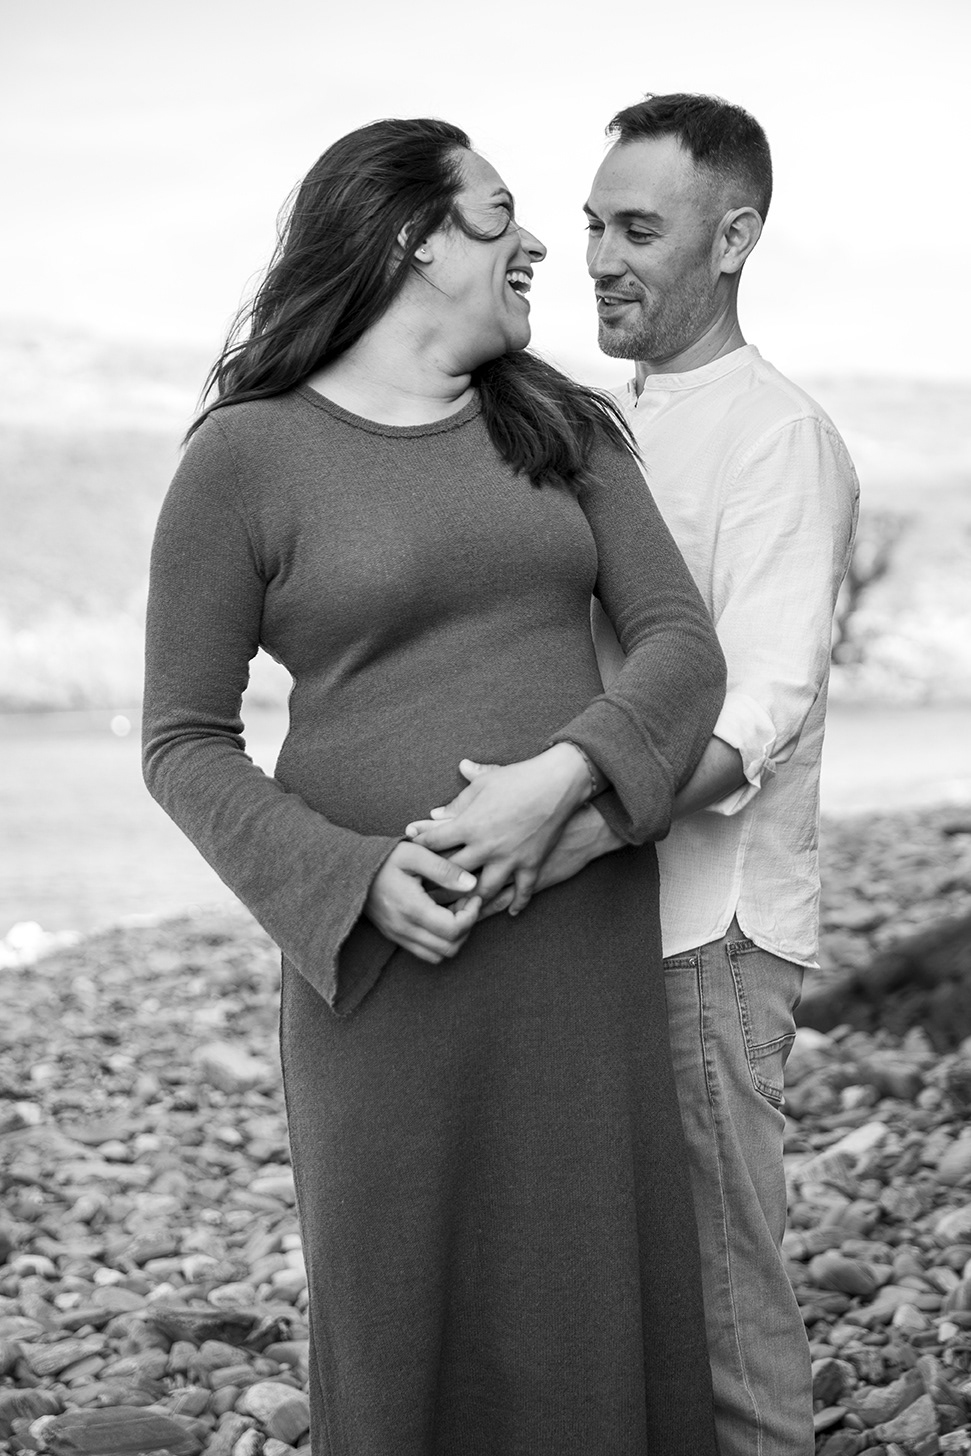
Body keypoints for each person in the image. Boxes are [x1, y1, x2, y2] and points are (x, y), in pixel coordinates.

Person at [142, 117, 726, 1455]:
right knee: (398, 1302)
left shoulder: (561, 427)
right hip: (385, 963)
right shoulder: (242, 458)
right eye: (502, 215)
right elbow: (182, 739)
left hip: (575, 942)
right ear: (414, 237)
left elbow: (681, 646)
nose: (543, 246)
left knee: (590, 1289)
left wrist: (561, 782)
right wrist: (353, 882)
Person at [419, 94, 859, 1456]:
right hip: (598, 928)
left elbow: (761, 709)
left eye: (639, 230)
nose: (599, 257)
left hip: (705, 938)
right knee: (619, 1302)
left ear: (732, 239)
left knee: (723, 1310)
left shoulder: (778, 436)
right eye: (594, 224)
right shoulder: (592, 423)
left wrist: (567, 824)